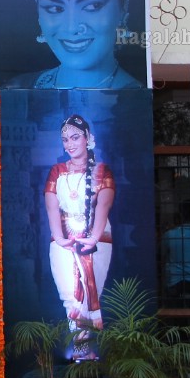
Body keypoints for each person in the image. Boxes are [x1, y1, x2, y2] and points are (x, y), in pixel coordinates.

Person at [44, 115, 115, 359]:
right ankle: (82, 355)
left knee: (90, 296)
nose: (70, 143)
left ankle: (86, 357)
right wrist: (60, 238)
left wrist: (93, 238)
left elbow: (104, 206)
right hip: (63, 241)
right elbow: (52, 208)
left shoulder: (101, 170)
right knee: (70, 299)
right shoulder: (57, 171)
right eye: (65, 139)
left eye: (75, 137)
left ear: (88, 139)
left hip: (98, 239)